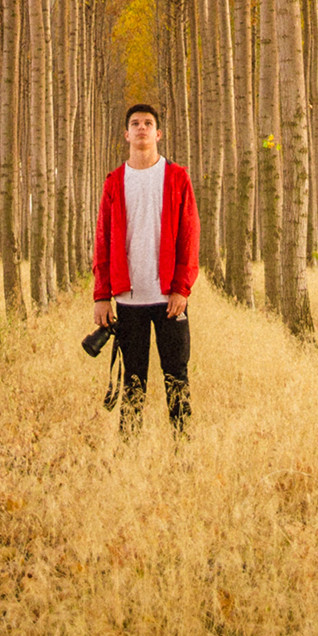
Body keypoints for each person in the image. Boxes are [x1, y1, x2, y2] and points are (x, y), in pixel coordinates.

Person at [92, 103, 200, 435]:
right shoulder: (114, 181)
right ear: (126, 135)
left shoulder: (177, 177)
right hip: (128, 299)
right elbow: (102, 240)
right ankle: (130, 450)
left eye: (148, 123)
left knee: (176, 375)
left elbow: (189, 234)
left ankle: (183, 445)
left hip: (169, 298)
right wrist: (102, 296)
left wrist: (182, 288)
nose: (142, 128)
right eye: (135, 124)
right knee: (132, 378)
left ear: (158, 134)